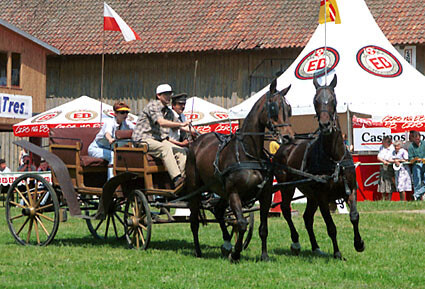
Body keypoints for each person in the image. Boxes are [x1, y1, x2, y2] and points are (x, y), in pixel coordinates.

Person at [132, 84, 190, 189]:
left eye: (170, 94)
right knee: (166, 148)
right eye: (166, 94)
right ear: (159, 96)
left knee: (182, 151)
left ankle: (184, 180)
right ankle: (177, 179)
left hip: (157, 140)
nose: (169, 96)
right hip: (142, 139)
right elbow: (162, 122)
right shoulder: (153, 106)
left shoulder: (168, 111)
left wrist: (195, 131)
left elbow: (180, 126)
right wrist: (182, 124)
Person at [88, 101, 135, 180]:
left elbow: (136, 129)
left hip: (110, 149)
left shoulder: (126, 123)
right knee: (113, 155)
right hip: (96, 148)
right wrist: (110, 139)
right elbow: (107, 133)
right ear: (115, 114)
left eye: (127, 112)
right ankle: (111, 182)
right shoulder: (109, 122)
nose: (125, 115)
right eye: (122, 112)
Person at [408, 130, 425, 201]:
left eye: (418, 139)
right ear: (413, 138)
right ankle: (417, 199)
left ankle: (416, 195)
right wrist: (415, 159)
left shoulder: (424, 144)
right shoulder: (411, 146)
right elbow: (410, 159)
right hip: (416, 165)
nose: (417, 140)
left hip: (424, 164)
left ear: (420, 137)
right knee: (417, 182)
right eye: (415, 139)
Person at [377, 136, 395, 201]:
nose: (382, 143)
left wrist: (388, 161)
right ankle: (383, 198)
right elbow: (378, 157)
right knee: (382, 182)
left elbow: (393, 158)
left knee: (389, 182)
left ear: (388, 142)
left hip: (390, 167)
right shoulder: (381, 148)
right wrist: (384, 161)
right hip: (383, 166)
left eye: (383, 141)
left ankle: (389, 198)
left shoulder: (393, 148)